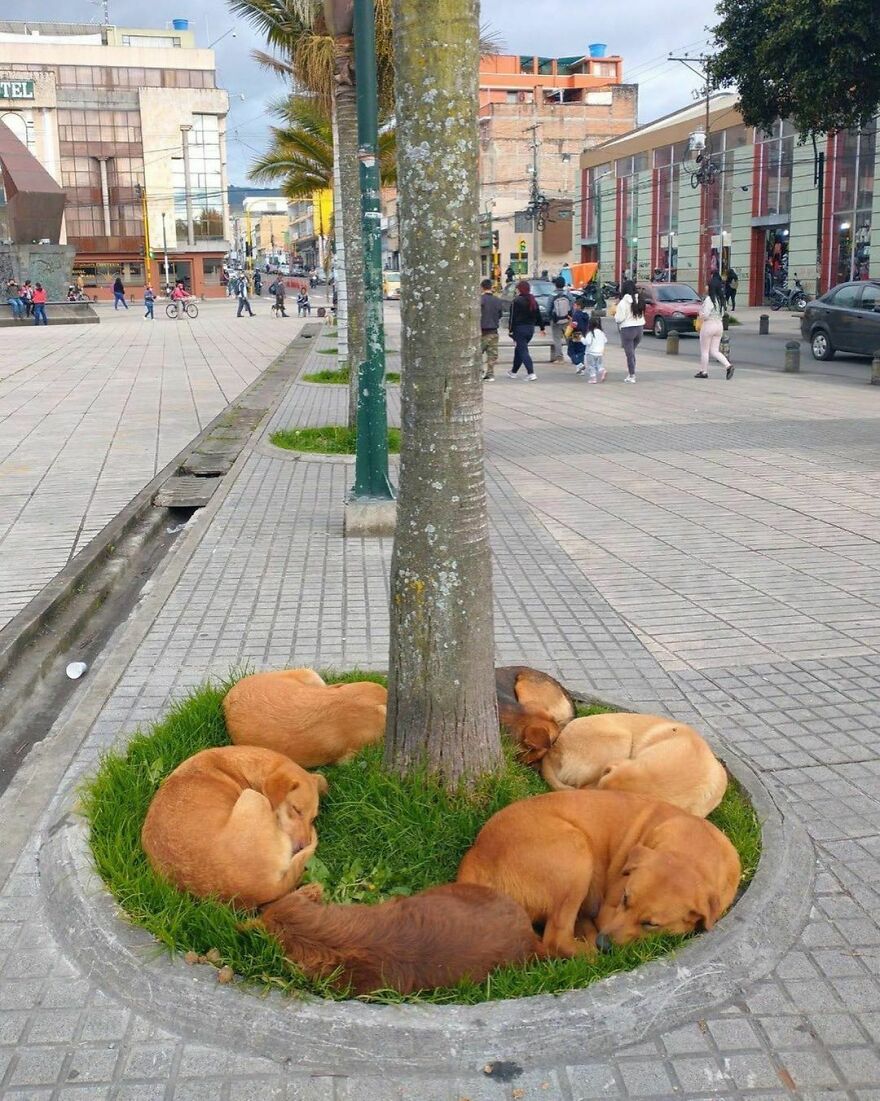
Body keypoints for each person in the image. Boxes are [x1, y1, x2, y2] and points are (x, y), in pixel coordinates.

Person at [694, 273, 734, 380]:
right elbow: (722, 314)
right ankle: (728, 366)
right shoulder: (721, 299)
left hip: (709, 325)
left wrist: (700, 314)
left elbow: (705, 315)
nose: (706, 287)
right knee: (715, 351)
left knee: (705, 350)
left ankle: (704, 371)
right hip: (719, 325)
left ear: (711, 287)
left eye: (707, 285)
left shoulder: (709, 299)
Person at [506, 279, 545, 381]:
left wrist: (510, 330)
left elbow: (512, 318)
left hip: (519, 329)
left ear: (519, 290)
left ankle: (531, 373)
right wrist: (542, 327)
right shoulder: (533, 300)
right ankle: (513, 372)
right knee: (519, 350)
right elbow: (539, 315)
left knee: (523, 351)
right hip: (530, 329)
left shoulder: (516, 301)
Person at [614, 278, 645, 383]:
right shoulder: (639, 299)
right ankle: (631, 373)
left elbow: (619, 318)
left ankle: (632, 375)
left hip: (627, 329)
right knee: (632, 352)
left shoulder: (623, 303)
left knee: (629, 354)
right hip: (639, 328)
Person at [479, 277, 504, 381]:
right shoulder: (497, 300)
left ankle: (480, 372)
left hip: (482, 331)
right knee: (492, 354)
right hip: (494, 330)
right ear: (491, 287)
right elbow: (500, 314)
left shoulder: (480, 300)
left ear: (482, 288)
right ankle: (490, 374)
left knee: (478, 353)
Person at [549, 277, 574, 363]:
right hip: (567, 319)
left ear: (555, 285)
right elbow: (572, 306)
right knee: (569, 338)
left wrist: (550, 318)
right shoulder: (568, 294)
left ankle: (560, 358)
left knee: (557, 339)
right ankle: (573, 355)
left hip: (556, 320)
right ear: (564, 284)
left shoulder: (552, 295)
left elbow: (549, 308)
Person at [566, 296, 590, 372]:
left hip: (576, 334)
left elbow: (574, 325)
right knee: (581, 352)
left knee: (571, 352)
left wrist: (570, 322)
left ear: (578, 306)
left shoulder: (576, 315)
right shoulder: (586, 315)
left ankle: (579, 364)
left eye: (575, 305)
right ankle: (580, 370)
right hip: (584, 334)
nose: (574, 307)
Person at [584, 316, 608, 383]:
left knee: (591, 365)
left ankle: (593, 378)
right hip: (599, 352)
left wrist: (581, 339)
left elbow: (587, 342)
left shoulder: (590, 333)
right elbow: (605, 340)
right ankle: (602, 370)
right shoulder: (601, 332)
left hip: (591, 352)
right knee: (599, 364)